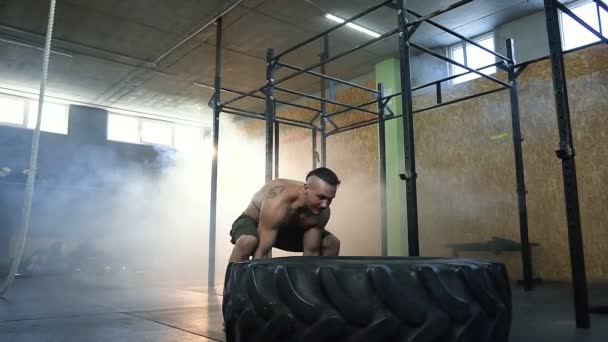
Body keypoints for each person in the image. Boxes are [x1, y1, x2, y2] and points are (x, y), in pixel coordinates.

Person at [228, 167, 341, 262]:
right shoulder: (278, 202)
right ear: (306, 188)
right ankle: (231, 287)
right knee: (247, 241)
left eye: (330, 199)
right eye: (321, 197)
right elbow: (262, 252)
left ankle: (317, 288)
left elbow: (311, 254)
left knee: (331, 243)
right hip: (255, 223)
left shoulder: (323, 212)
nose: (325, 204)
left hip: (285, 230)